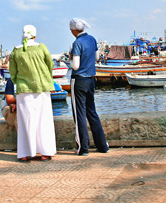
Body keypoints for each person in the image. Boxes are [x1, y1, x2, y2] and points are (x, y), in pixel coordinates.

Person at [8, 24, 57, 161]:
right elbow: (50, 65)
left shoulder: (16, 51)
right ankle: (46, 152)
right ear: (35, 35)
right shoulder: (41, 47)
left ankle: (25, 153)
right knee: (44, 120)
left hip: (24, 90)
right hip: (42, 88)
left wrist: (20, 80)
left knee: (26, 122)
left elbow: (13, 73)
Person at [68, 18, 108, 155]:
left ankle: (83, 148)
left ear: (73, 30)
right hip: (91, 79)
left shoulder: (77, 43)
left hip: (78, 80)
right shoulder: (92, 39)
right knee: (92, 112)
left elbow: (76, 65)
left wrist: (70, 58)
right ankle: (103, 145)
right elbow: (97, 58)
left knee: (79, 114)